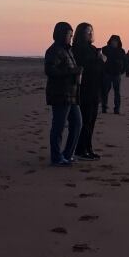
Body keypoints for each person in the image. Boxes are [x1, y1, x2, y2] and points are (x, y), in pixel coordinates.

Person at [45, 22, 82, 166]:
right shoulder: (54, 50)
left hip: (71, 94)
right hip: (60, 94)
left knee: (77, 123)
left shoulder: (68, 50)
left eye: (72, 35)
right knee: (58, 127)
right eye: (69, 35)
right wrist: (72, 72)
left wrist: (76, 72)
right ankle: (56, 157)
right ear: (61, 34)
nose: (71, 38)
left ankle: (67, 154)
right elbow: (50, 70)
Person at [72, 22, 106, 160]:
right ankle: (80, 150)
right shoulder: (78, 48)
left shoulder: (92, 48)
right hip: (84, 89)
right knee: (85, 121)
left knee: (91, 121)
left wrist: (101, 60)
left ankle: (88, 148)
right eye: (88, 31)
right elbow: (85, 66)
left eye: (92, 31)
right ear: (81, 33)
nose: (90, 34)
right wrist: (100, 60)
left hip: (95, 89)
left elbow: (99, 67)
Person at [101, 35, 126, 114]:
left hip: (117, 73)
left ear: (118, 42)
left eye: (116, 41)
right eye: (113, 41)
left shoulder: (121, 50)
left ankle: (117, 108)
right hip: (107, 73)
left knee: (117, 92)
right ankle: (104, 107)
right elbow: (102, 61)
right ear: (110, 41)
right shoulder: (105, 49)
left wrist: (122, 70)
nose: (114, 42)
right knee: (105, 91)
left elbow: (124, 62)